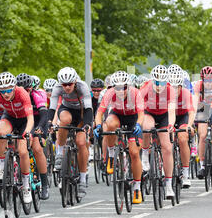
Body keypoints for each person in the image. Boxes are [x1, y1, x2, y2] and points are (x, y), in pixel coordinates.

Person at [94, 71, 144, 203]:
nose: (121, 91)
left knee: (134, 153)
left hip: (133, 119)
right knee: (109, 124)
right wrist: (98, 126)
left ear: (128, 86)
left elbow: (141, 114)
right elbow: (100, 113)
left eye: (124, 88)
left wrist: (139, 124)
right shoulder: (109, 93)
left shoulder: (135, 93)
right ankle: (111, 156)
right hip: (117, 115)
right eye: (117, 88)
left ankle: (137, 189)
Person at [47, 67, 93, 198]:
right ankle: (60, 153)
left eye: (69, 84)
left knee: (80, 142)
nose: (67, 87)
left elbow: (89, 108)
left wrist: (88, 125)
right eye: (64, 85)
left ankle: (83, 180)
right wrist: (50, 122)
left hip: (83, 113)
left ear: (75, 81)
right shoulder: (57, 87)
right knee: (64, 121)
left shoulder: (82, 86)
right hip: (67, 109)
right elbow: (52, 107)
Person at [0, 72, 34, 203]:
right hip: (9, 117)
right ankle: (2, 168)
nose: (6, 94)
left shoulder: (22, 93)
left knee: (22, 151)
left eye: (9, 90)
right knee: (1, 133)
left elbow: (30, 118)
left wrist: (26, 132)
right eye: (2, 91)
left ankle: (26, 186)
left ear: (14, 87)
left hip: (24, 121)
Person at [140, 65, 176, 198]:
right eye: (156, 82)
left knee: (167, 148)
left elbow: (172, 111)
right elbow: (138, 108)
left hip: (163, 115)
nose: (159, 85)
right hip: (149, 112)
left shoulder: (170, 90)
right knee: (147, 127)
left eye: (161, 82)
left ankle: (168, 185)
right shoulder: (146, 87)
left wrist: (171, 124)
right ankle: (144, 154)